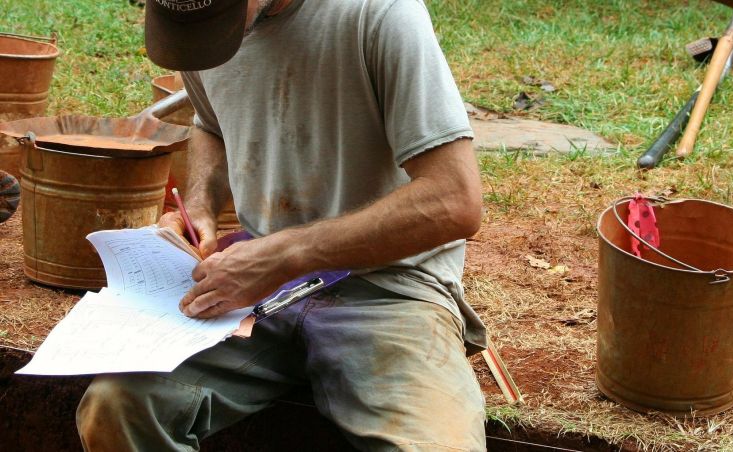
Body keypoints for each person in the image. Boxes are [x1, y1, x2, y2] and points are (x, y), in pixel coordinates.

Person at [76, 0, 488, 450]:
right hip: (249, 293)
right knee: (114, 406)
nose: (212, 35)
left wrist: (284, 254)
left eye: (220, 19)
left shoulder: (379, 12)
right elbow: (211, 123)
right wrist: (200, 206)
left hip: (387, 287)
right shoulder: (204, 25)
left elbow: (455, 201)